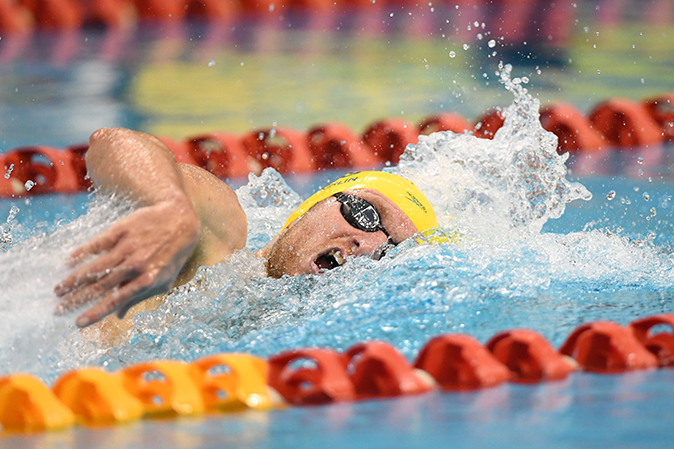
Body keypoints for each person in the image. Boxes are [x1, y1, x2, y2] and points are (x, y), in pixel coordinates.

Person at [54, 127, 438, 329]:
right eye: (368, 215)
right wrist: (171, 206)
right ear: (313, 205)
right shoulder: (220, 239)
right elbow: (112, 143)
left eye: (390, 250)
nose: (369, 244)